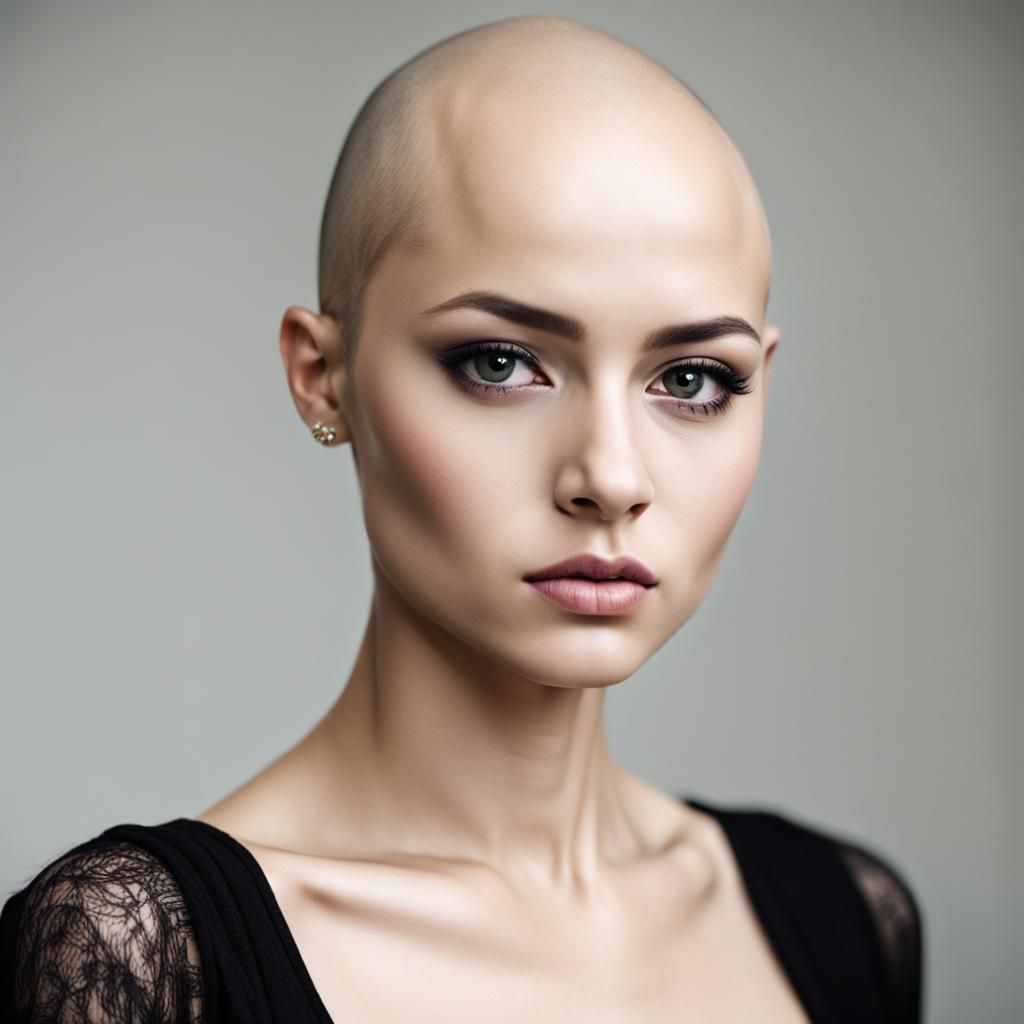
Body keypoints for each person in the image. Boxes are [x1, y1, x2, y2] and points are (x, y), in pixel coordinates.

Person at [0, 14, 924, 1023]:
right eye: (499, 362)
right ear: (323, 377)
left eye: (692, 378)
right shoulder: (135, 951)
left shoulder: (851, 916)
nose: (610, 476)